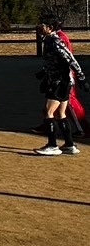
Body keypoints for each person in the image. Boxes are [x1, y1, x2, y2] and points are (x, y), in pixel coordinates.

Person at [34, 18, 86, 156]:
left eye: (43, 25)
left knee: (48, 112)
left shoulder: (54, 41)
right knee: (60, 114)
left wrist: (81, 76)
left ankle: (52, 145)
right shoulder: (49, 40)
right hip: (61, 81)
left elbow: (70, 59)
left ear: (50, 27)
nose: (39, 27)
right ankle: (69, 145)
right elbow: (54, 61)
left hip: (59, 82)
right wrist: (44, 72)